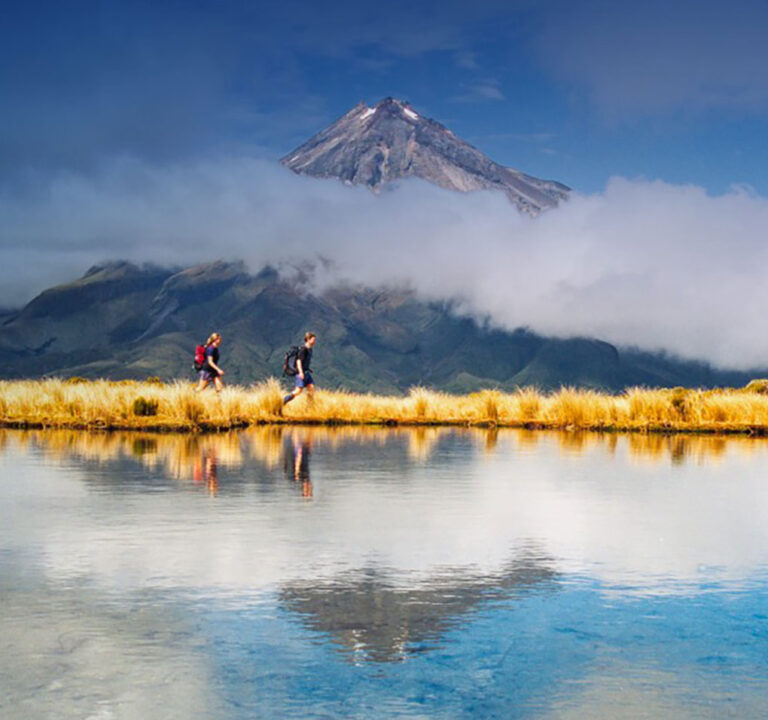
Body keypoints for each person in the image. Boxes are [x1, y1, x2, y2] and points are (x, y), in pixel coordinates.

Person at [283, 331, 317, 405]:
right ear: (308, 339)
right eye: (313, 340)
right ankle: (283, 401)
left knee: (311, 388)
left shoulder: (310, 349)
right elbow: (299, 361)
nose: (315, 342)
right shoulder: (303, 349)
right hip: (301, 373)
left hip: (307, 373)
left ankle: (309, 408)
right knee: (298, 391)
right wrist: (301, 372)